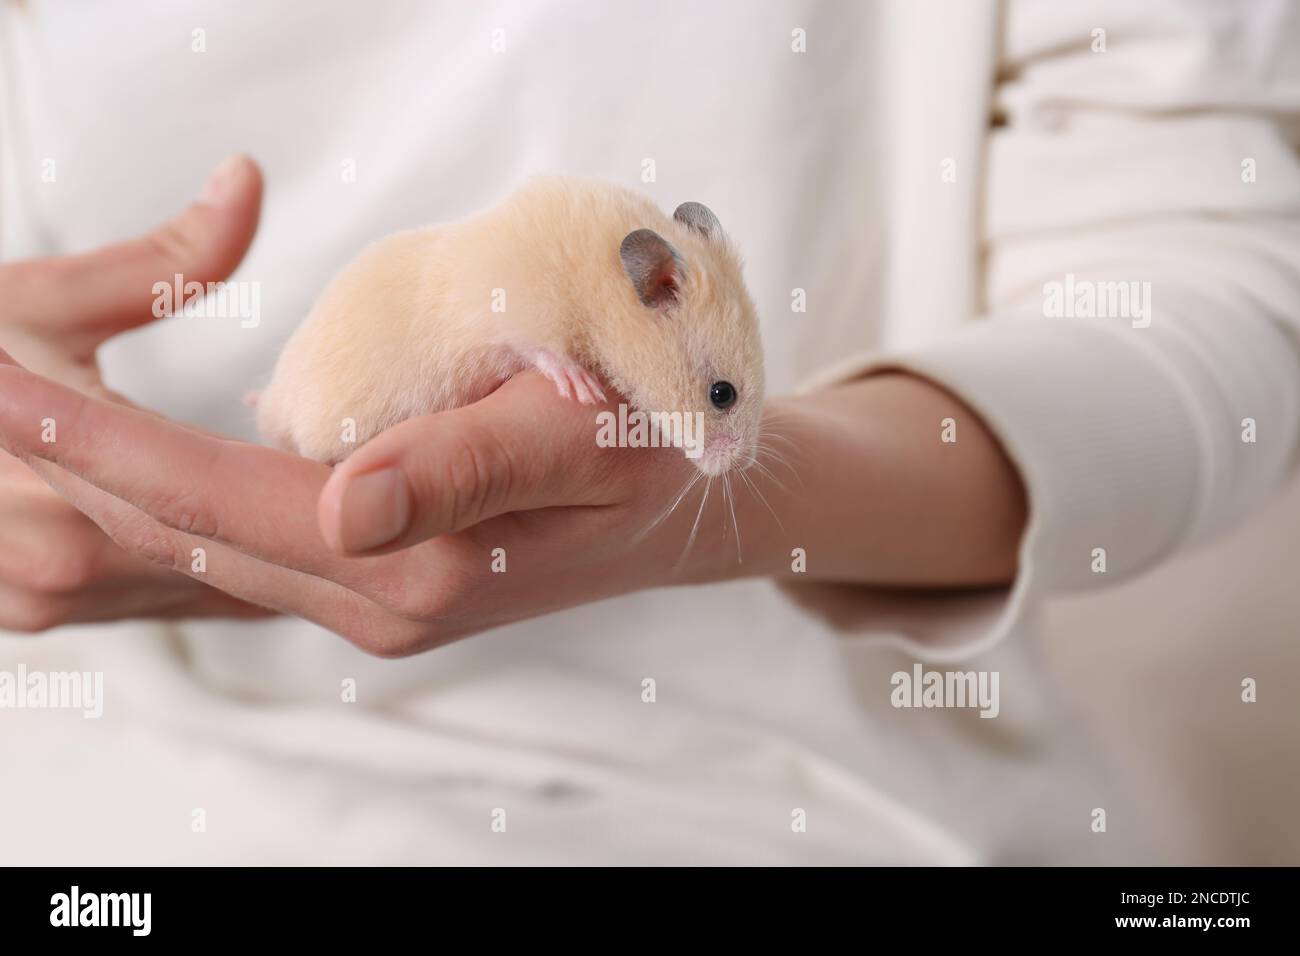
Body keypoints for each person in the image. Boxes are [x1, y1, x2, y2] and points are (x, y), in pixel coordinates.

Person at [1, 0, 1297, 864]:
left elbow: (1216, 294)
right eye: (723, 405)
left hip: (816, 795)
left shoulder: (617, 285)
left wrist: (704, 519)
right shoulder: (556, 277)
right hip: (138, 772)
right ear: (643, 289)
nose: (731, 431)